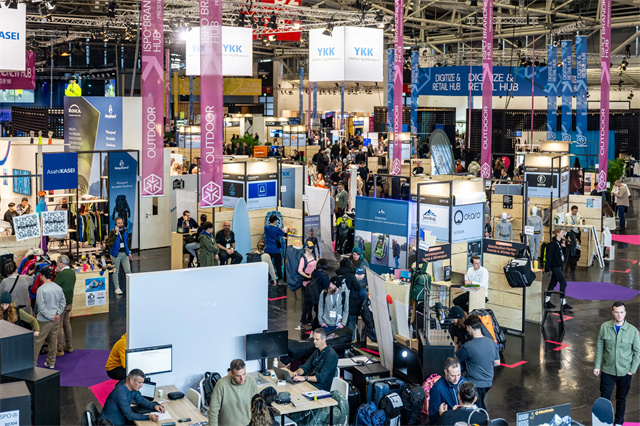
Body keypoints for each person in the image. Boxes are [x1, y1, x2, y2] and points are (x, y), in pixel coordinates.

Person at [594, 301, 640, 426]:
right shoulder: (604, 327)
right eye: (616, 312)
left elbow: (637, 352)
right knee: (604, 399)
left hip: (625, 372)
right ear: (612, 313)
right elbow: (599, 348)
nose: (619, 315)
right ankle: (604, 422)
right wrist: (597, 366)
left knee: (621, 399)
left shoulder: (632, 331)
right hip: (607, 371)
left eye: (621, 312)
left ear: (625, 313)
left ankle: (619, 422)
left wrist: (632, 370)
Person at [455, 314, 500, 410]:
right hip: (488, 382)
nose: (467, 330)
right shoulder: (491, 342)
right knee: (481, 404)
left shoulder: (468, 346)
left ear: (469, 327)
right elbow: (497, 362)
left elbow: (455, 357)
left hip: (475, 383)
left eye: (467, 328)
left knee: (475, 408)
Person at [100, 368, 165, 424]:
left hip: (121, 419)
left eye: (142, 382)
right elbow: (129, 415)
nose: (142, 385)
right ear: (131, 381)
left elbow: (141, 400)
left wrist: (154, 406)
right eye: (139, 382)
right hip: (111, 423)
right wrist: (149, 417)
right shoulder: (121, 393)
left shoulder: (132, 387)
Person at [208, 359, 258, 426]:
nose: (242, 379)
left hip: (247, 424)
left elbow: (257, 407)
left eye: (244, 374)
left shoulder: (251, 382)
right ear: (231, 373)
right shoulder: (221, 385)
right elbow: (213, 411)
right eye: (238, 376)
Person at [33, 266, 66, 368]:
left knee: (37, 342)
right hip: (56, 320)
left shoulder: (41, 289)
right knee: (53, 341)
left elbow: (41, 307)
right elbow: (63, 302)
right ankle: (51, 362)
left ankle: (33, 363)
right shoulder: (58, 288)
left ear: (43, 276)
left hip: (43, 320)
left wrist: (50, 316)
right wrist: (57, 314)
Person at [428, 357, 468, 424]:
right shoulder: (437, 389)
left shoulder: (463, 381)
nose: (456, 379)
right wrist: (445, 415)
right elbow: (432, 418)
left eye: (458, 374)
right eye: (453, 376)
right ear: (446, 372)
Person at [544, 228, 573, 311]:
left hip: (559, 265)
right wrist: (547, 268)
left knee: (552, 283)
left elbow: (561, 254)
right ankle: (563, 303)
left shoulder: (559, 243)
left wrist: (563, 247)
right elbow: (549, 256)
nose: (563, 234)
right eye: (562, 233)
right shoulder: (553, 244)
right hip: (555, 266)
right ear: (557, 234)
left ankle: (546, 301)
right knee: (563, 283)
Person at [335, 259, 362, 341]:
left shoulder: (337, 276)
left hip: (340, 304)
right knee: (351, 322)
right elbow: (358, 287)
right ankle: (351, 341)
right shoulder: (351, 276)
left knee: (342, 323)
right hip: (352, 304)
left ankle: (342, 340)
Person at [54, 254, 75, 356]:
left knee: (60, 326)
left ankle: (59, 349)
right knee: (67, 324)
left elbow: (54, 286)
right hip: (69, 302)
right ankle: (69, 346)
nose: (57, 264)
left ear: (62, 263)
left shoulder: (61, 275)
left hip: (61, 303)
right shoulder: (72, 272)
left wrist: (56, 273)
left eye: (58, 262)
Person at [300, 258, 330, 331]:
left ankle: (306, 321)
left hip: (310, 293)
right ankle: (315, 326)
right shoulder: (324, 276)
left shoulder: (314, 272)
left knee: (308, 307)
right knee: (318, 312)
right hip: (318, 295)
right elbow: (327, 287)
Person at [107, 218, 131, 295]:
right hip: (116, 254)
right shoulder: (112, 232)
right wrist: (116, 234)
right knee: (116, 271)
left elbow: (127, 241)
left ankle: (131, 285)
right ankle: (116, 287)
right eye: (119, 223)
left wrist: (129, 252)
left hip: (124, 254)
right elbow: (110, 243)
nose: (120, 224)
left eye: (121, 223)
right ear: (116, 224)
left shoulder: (125, 230)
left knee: (128, 270)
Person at [264, 215, 286, 281]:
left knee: (268, 265)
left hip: (267, 249)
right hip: (275, 249)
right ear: (275, 221)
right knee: (278, 265)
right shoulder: (277, 229)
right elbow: (284, 234)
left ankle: (268, 279)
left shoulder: (266, 227)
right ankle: (280, 279)